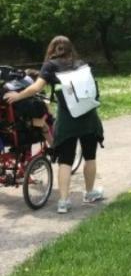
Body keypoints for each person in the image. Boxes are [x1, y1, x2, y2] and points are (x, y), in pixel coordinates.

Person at [4, 36, 105, 214]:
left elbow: (36, 88)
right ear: (70, 48)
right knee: (90, 157)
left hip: (68, 120)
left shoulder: (50, 66)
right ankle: (89, 194)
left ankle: (64, 202)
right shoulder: (81, 64)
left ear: (52, 49)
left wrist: (17, 96)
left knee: (65, 161)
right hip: (89, 118)